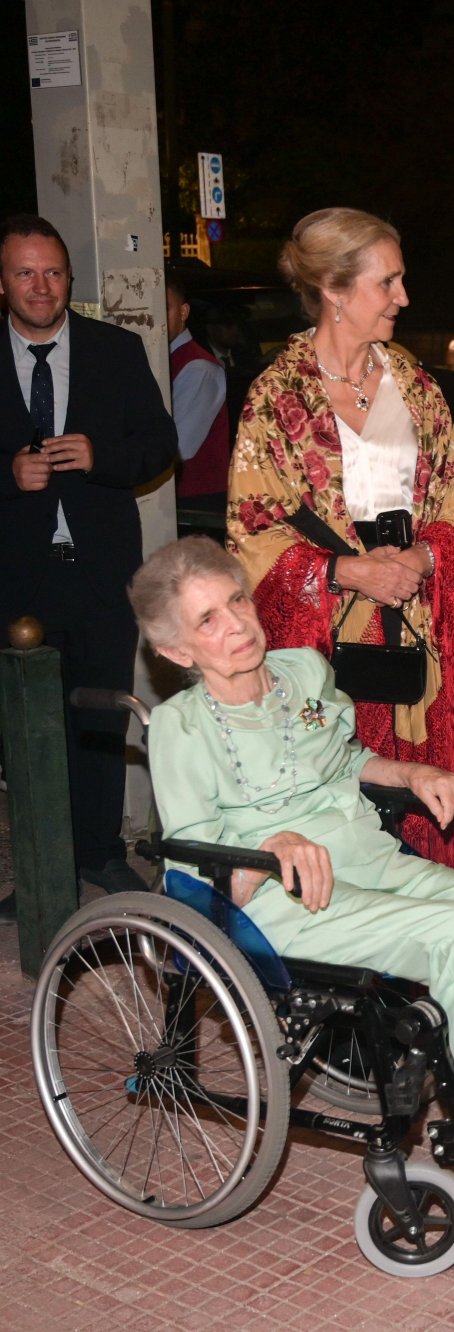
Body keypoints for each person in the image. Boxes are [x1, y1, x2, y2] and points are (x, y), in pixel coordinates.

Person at [131, 536, 454, 1225]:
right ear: (177, 653)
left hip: (367, 860)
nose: (234, 626)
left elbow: (348, 759)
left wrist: (414, 773)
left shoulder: (303, 671)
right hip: (275, 900)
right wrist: (269, 844)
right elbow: (191, 866)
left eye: (235, 600)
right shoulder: (180, 727)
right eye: (206, 621)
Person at [227, 208, 454, 875]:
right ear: (336, 291)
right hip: (325, 649)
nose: (404, 296)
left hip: (416, 631)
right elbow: (251, 529)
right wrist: (346, 573)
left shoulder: (417, 388)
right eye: (388, 282)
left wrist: (426, 557)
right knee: (338, 805)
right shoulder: (276, 398)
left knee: (421, 806)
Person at [0, 213, 177, 917]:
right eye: (25, 273)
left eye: (52, 273)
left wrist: (104, 460)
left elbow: (159, 444)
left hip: (101, 571)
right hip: (19, 577)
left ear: (68, 278)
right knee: (28, 726)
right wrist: (8, 474)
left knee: (102, 717)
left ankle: (102, 851)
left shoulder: (114, 349)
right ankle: (44, 866)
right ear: (3, 283)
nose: (41, 287)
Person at [166, 272, 229, 508]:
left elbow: (181, 446)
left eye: (166, 308)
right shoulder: (170, 360)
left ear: (183, 313)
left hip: (198, 500)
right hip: (180, 496)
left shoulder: (199, 368)